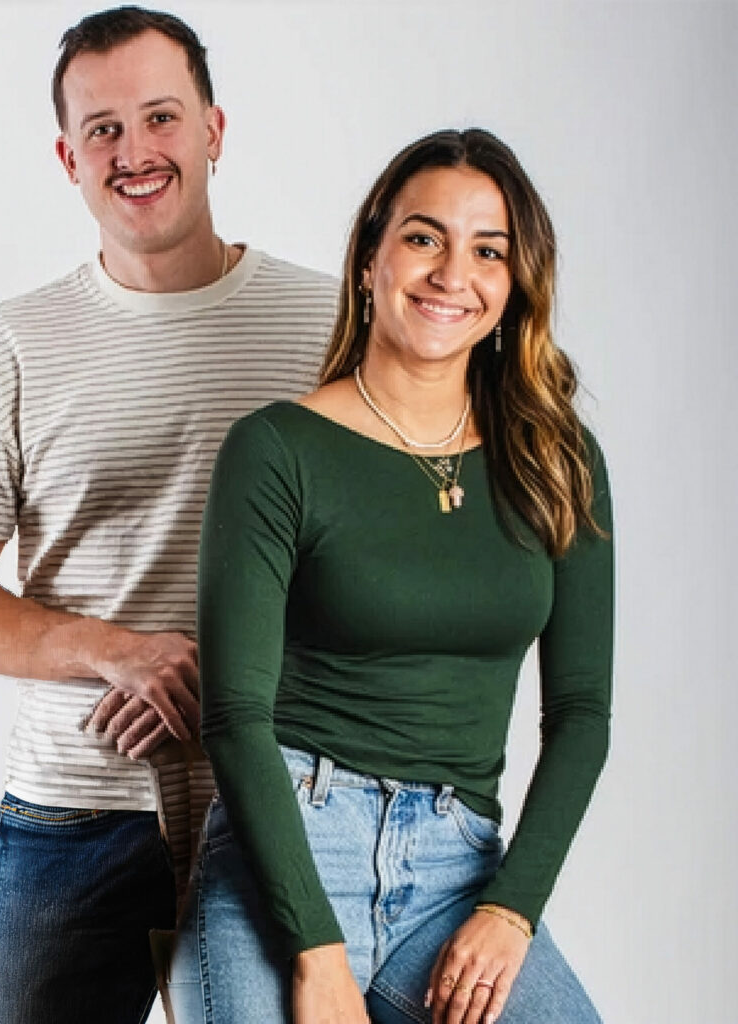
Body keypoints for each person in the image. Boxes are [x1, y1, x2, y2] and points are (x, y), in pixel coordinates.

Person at [0, 7, 337, 1023]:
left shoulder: (327, 327)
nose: (134, 151)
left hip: (285, 799)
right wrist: (117, 653)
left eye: (161, 117)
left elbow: (391, 562)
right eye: (103, 129)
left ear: (214, 130)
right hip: (78, 805)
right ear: (68, 158)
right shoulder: (14, 344)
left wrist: (232, 673)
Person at [168, 128, 613, 1024]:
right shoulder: (276, 449)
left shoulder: (558, 463)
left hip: (459, 868)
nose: (453, 274)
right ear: (371, 257)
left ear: (514, 284)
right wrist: (315, 947)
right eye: (423, 237)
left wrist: (512, 910)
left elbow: (581, 715)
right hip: (288, 851)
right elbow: (235, 717)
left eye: (488, 251)